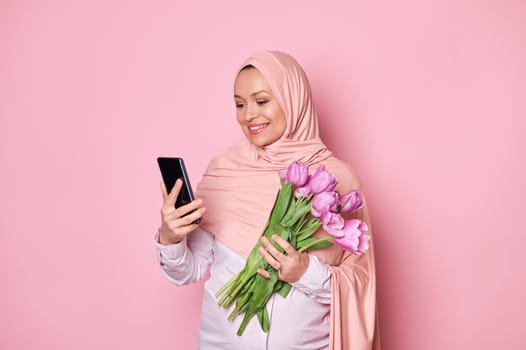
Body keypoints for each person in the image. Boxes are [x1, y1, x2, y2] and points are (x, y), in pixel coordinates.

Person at [154, 50, 380, 350]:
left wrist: (304, 272)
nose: (248, 115)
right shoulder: (224, 171)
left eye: (261, 101)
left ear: (292, 99)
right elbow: (188, 271)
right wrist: (170, 238)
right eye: (239, 104)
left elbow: (360, 287)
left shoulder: (337, 179)